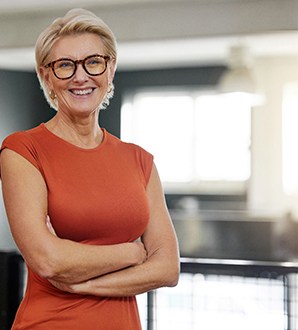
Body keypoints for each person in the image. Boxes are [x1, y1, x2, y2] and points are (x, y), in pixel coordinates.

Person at [0, 8, 180, 330]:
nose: (80, 76)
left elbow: (167, 268)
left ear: (110, 69)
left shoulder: (140, 161)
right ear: (46, 76)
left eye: (93, 62)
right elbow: (48, 260)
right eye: (65, 65)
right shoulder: (23, 150)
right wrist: (132, 252)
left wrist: (81, 284)